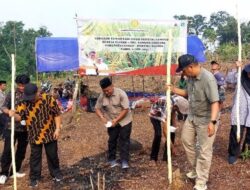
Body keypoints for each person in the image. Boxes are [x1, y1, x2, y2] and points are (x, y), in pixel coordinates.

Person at [169, 54, 219, 190]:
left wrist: (212, 122)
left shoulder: (208, 79)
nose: (183, 73)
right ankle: (196, 169)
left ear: (190, 67)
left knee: (204, 150)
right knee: (186, 141)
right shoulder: (190, 77)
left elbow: (215, 102)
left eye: (183, 70)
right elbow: (187, 93)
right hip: (192, 117)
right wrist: (173, 89)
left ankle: (201, 181)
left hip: (206, 119)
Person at [9, 83, 62, 187]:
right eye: (29, 98)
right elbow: (20, 117)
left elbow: (57, 114)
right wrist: (13, 115)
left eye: (32, 97)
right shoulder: (24, 102)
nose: (31, 100)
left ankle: (56, 173)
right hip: (34, 135)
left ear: (37, 92)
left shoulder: (48, 99)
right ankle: (34, 177)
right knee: (35, 158)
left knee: (52, 155)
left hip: (50, 134)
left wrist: (57, 129)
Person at [95, 77, 132, 169]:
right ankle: (111, 159)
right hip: (111, 121)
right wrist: (102, 117)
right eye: (104, 91)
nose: (106, 93)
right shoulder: (102, 95)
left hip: (125, 121)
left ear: (112, 86)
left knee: (124, 140)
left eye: (108, 90)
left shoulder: (121, 93)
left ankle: (124, 161)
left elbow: (125, 109)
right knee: (112, 140)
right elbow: (97, 108)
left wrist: (116, 120)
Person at [0, 75, 30, 184]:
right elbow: (3, 107)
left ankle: (14, 171)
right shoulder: (12, 93)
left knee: (21, 151)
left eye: (23, 85)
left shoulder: (30, 93)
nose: (21, 87)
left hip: (25, 128)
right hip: (11, 127)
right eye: (20, 85)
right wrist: (9, 112)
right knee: (8, 150)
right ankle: (3, 173)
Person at [148, 95, 189, 165]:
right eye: (179, 110)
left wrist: (174, 126)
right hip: (155, 114)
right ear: (176, 107)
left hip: (166, 113)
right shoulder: (168, 106)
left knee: (172, 132)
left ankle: (166, 157)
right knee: (158, 134)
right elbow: (165, 130)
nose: (179, 112)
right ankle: (153, 158)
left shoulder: (179, 101)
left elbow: (173, 112)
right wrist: (173, 147)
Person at [228, 63, 250, 164]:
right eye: (248, 72)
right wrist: (237, 69)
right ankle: (233, 153)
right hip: (240, 110)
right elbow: (229, 80)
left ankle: (246, 152)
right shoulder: (240, 77)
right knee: (236, 132)